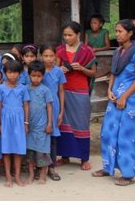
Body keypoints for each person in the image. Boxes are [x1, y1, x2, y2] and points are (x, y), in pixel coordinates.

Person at [92, 19, 135, 186]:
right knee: (107, 133)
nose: (117, 34)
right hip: (114, 98)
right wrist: (109, 91)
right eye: (116, 31)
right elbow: (113, 74)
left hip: (130, 100)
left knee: (126, 136)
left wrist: (124, 97)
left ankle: (128, 174)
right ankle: (108, 167)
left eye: (120, 31)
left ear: (130, 33)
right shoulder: (117, 52)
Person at [55, 21, 97, 171]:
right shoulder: (60, 50)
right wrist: (60, 69)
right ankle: (64, 156)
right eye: (65, 35)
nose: (67, 38)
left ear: (78, 34)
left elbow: (93, 73)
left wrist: (82, 68)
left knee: (81, 124)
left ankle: (84, 158)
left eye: (70, 35)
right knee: (63, 124)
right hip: (63, 91)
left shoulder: (87, 50)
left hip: (80, 91)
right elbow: (55, 70)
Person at [0, 60, 30, 188]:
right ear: (5, 73)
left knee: (18, 150)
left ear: (20, 73)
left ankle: (17, 176)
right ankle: (8, 177)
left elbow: (26, 106)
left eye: (15, 72)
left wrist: (26, 123)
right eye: (9, 72)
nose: (12, 75)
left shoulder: (23, 88)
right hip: (5, 121)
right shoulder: (1, 88)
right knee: (6, 150)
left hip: (19, 121)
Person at [23, 61, 54, 186]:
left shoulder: (45, 90)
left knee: (43, 151)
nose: (36, 78)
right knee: (30, 151)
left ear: (43, 76)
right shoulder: (25, 89)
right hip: (30, 125)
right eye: (33, 76)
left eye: (39, 76)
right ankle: (31, 174)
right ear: (29, 75)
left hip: (42, 126)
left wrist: (50, 124)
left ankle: (42, 175)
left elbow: (49, 107)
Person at [39, 43, 66, 181]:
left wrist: (61, 112)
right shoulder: (38, 70)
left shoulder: (59, 71)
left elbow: (61, 92)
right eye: (45, 56)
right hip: (39, 106)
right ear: (41, 56)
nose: (48, 59)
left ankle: (52, 167)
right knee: (40, 137)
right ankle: (40, 167)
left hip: (54, 106)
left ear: (55, 56)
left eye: (51, 56)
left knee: (52, 139)